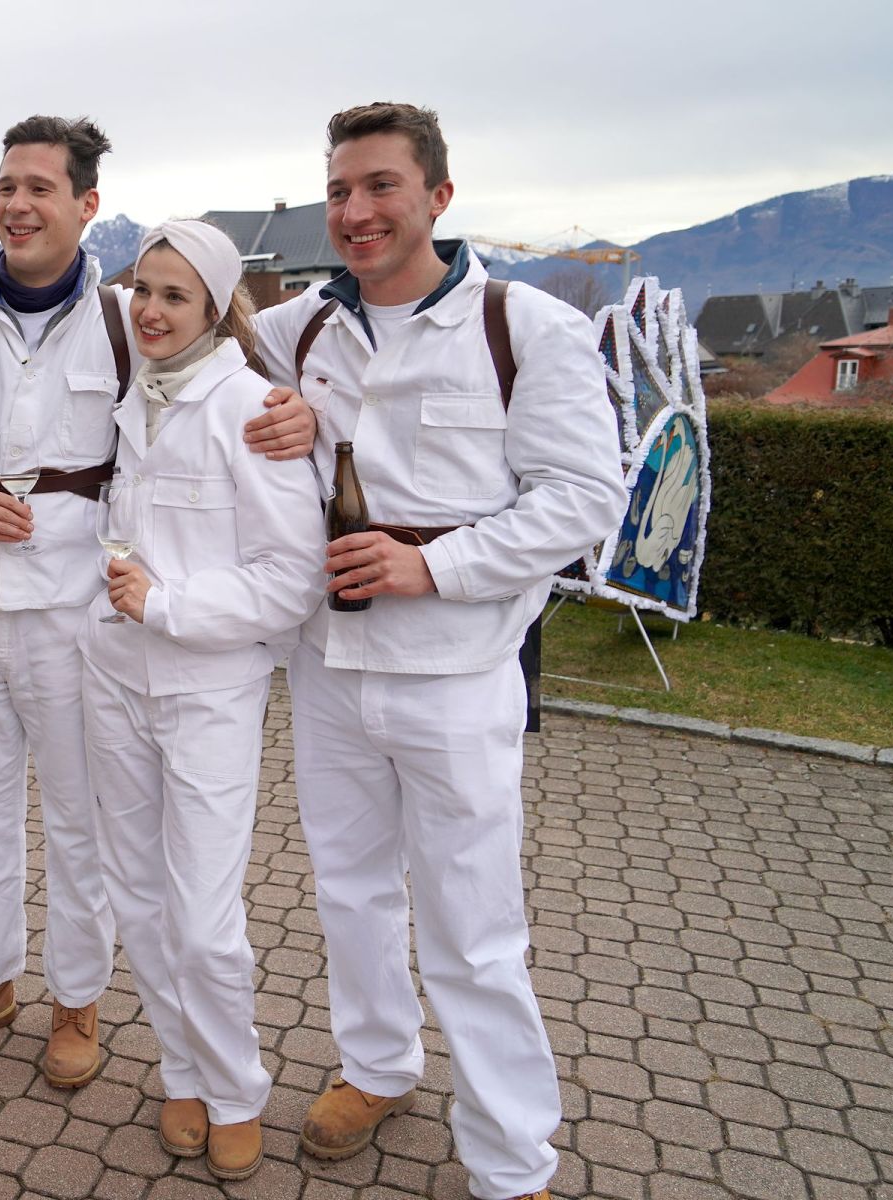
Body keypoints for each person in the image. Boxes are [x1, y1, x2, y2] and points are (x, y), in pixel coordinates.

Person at [0, 116, 317, 1088]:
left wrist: (300, 406)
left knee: (82, 825)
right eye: (7, 185)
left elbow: (239, 354)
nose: (17, 204)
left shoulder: (130, 320)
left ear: (86, 205)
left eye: (40, 187)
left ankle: (77, 999)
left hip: (78, 621)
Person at [254, 103, 627, 1200]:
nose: (355, 211)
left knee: (474, 928)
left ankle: (512, 1160)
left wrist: (436, 566)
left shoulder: (526, 328)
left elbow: (584, 499)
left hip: (458, 675)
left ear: (438, 197)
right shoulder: (295, 331)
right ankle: (376, 1068)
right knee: (350, 892)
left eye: (380, 186)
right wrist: (271, 416)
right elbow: (190, 363)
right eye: (339, 191)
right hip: (328, 665)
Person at [79, 220, 326, 1180]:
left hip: (208, 690)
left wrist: (168, 604)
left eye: (176, 295)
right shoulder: (131, 397)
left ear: (218, 309)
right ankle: (180, 1069)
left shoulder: (249, 408)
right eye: (143, 289)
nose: (151, 310)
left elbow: (290, 577)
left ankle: (236, 1089)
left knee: (205, 915)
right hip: (115, 676)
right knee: (137, 895)